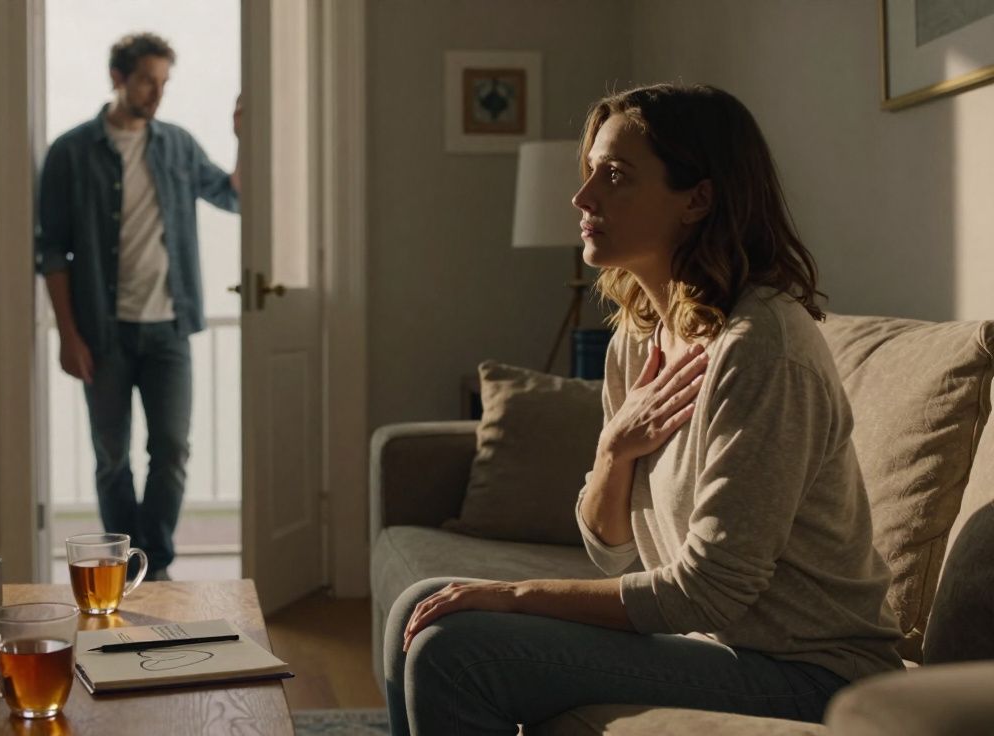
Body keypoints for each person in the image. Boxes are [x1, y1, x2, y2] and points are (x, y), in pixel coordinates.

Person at [384, 83, 904, 734]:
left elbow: (709, 591)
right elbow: (608, 551)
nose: (582, 198)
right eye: (589, 172)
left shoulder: (763, 349)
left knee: (453, 649)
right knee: (417, 607)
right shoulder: (638, 339)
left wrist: (515, 595)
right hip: (712, 646)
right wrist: (614, 449)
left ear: (698, 199)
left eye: (615, 176)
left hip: (813, 673)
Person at [35, 32, 241, 581]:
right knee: (112, 457)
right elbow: (51, 251)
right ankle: (126, 569)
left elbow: (233, 195)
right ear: (118, 78)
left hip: (169, 330)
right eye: (148, 80)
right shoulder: (70, 152)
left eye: (164, 82)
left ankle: (156, 562)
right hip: (102, 334)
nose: (157, 92)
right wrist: (68, 336)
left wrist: (245, 138)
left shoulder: (177, 145)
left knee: (172, 450)